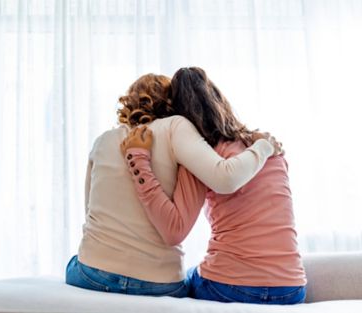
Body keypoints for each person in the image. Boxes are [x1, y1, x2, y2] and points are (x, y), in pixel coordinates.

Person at [65, 73, 277, 297]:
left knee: (74, 262)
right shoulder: (177, 127)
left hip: (93, 274)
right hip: (159, 282)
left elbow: (90, 212)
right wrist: (264, 146)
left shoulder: (103, 140)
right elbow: (224, 178)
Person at [121, 67, 307, 304]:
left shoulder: (201, 157)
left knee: (182, 280)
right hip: (291, 288)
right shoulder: (269, 149)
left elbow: (173, 231)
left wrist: (139, 162)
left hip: (230, 286)